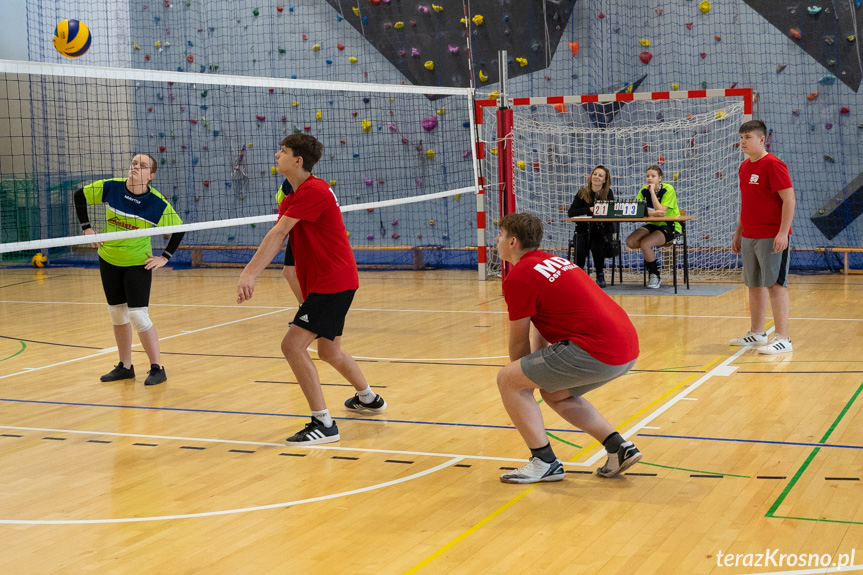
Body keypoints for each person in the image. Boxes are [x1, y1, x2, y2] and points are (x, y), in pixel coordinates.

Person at [237, 134, 386, 445]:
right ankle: (369, 398)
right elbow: (285, 246)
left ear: (298, 161)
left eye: (283, 151)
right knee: (329, 351)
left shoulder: (314, 191)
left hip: (332, 283)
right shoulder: (293, 196)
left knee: (292, 346)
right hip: (332, 281)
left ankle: (323, 424)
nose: (277, 154)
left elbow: (278, 235)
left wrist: (249, 273)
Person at [495, 212, 642, 484]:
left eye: (501, 235)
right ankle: (618, 448)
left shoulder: (518, 278)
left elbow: (518, 341)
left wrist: (521, 379)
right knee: (555, 394)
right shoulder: (551, 261)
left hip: (596, 348)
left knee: (507, 380)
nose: (497, 239)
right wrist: (534, 374)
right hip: (626, 346)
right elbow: (541, 322)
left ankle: (544, 461)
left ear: (513, 241)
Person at [73, 153, 184, 386]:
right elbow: (79, 195)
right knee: (116, 313)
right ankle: (125, 366)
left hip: (137, 262)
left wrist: (165, 257)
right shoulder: (111, 187)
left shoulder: (157, 203)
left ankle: (157, 367)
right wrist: (87, 228)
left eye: (143, 166)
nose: (136, 167)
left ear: (151, 176)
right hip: (109, 258)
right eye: (134, 163)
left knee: (137, 315)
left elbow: (179, 229)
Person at [730, 120, 795, 354]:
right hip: (749, 236)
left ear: (761, 139)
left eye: (747, 137)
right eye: (741, 138)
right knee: (754, 285)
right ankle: (757, 333)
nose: (743, 142)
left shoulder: (774, 164)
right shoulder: (744, 167)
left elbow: (789, 200)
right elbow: (747, 203)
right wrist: (738, 232)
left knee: (775, 285)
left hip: (771, 236)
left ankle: (783, 338)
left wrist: (782, 232)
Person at [624, 165, 681, 289]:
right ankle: (650, 258)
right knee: (630, 241)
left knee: (645, 244)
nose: (649, 179)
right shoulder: (642, 190)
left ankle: (655, 275)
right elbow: (638, 211)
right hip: (652, 224)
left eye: (653, 176)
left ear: (660, 178)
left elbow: (661, 211)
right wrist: (652, 214)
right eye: (647, 176)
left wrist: (652, 192)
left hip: (670, 225)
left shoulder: (668, 189)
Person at [567, 165, 616, 288]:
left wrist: (586, 212)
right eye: (595, 174)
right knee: (580, 245)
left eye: (600, 175)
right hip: (582, 230)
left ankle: (600, 274)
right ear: (591, 176)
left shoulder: (608, 193)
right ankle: (578, 275)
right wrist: (590, 209)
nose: (596, 177)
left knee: (597, 243)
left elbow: (609, 212)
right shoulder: (582, 192)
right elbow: (572, 212)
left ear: (605, 180)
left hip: (600, 231)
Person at [275, 178, 303, 304]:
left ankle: (310, 311)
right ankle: (305, 310)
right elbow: (280, 202)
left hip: (309, 234)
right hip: (295, 232)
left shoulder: (313, 185)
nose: (277, 156)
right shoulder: (287, 184)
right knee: (289, 271)